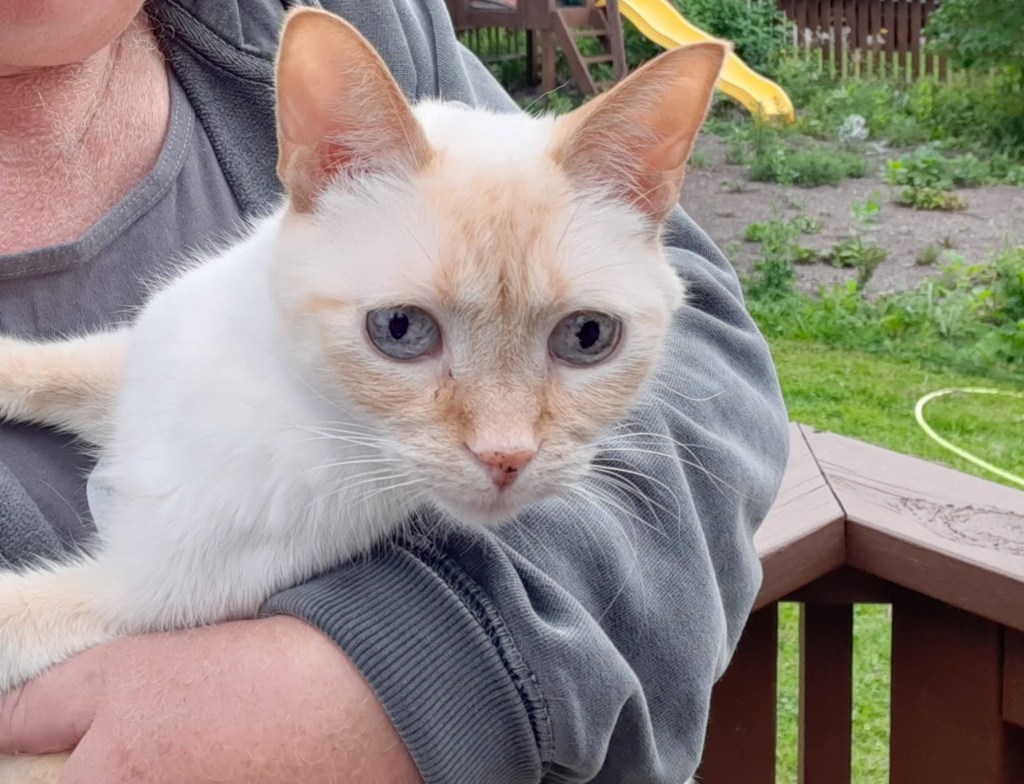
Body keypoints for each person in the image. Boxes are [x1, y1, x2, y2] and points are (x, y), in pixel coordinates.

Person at [0, 1, 790, 782]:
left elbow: (717, 379)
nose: (505, 443)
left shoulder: (370, 20)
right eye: (406, 332)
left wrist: (418, 674)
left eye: (586, 338)